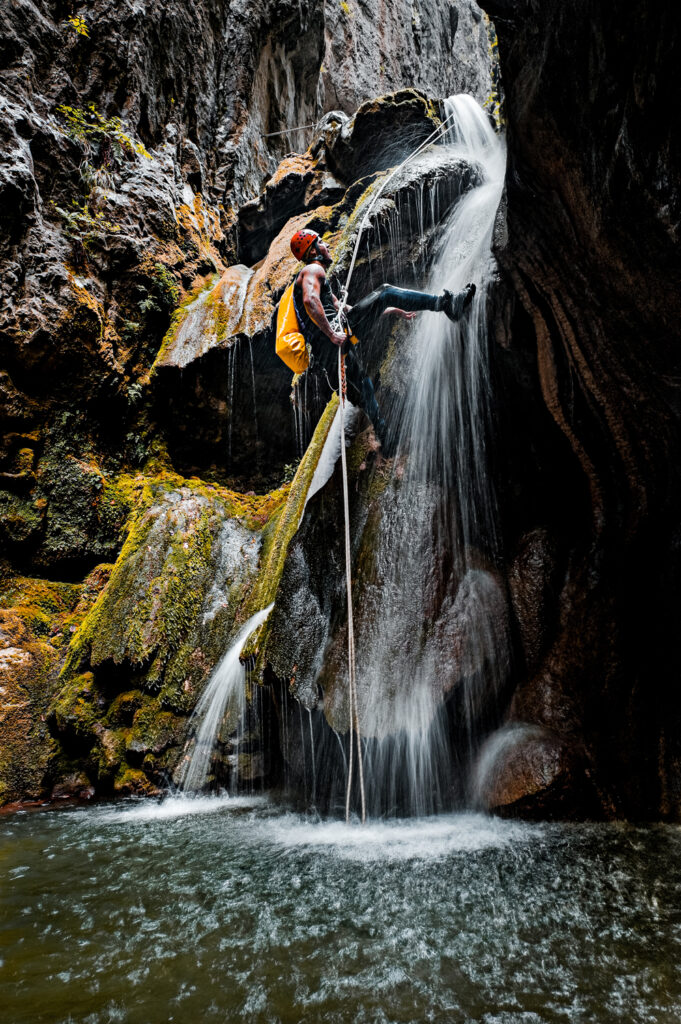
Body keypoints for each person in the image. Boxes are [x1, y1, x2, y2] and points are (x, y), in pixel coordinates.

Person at [289, 228, 475, 440]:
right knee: (385, 291)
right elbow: (309, 300)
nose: (328, 245)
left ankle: (384, 436)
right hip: (336, 340)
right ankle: (447, 304)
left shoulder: (320, 279)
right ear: (313, 252)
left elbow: (348, 309)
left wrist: (392, 309)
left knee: (365, 386)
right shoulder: (313, 270)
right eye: (321, 242)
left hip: (333, 351)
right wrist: (332, 334)